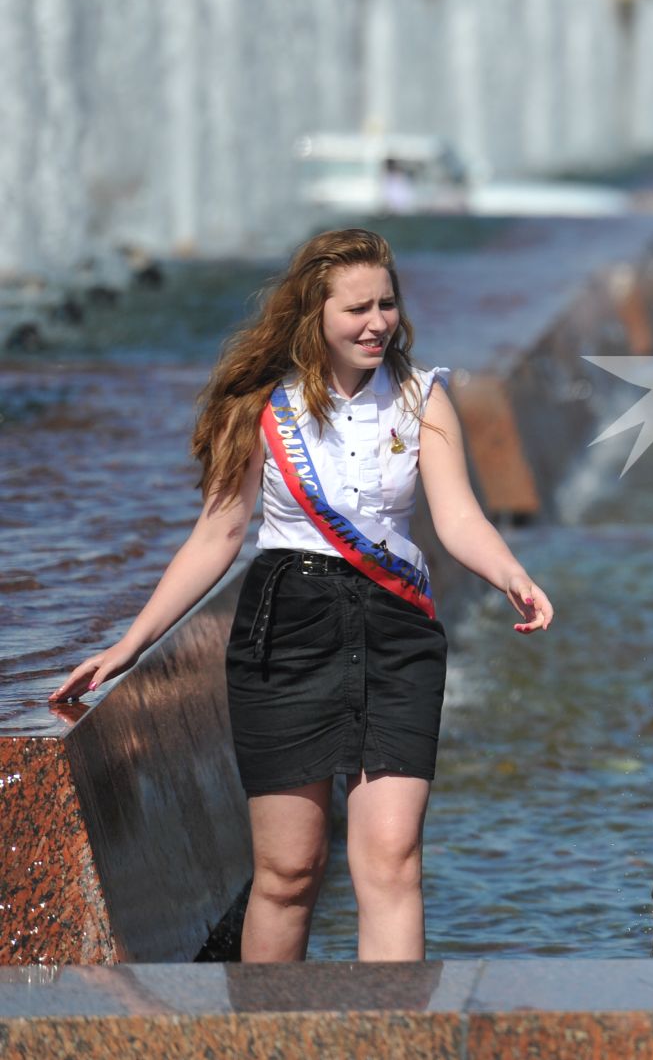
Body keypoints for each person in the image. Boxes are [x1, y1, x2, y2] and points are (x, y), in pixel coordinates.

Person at [51, 228, 556, 962]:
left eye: (387, 303)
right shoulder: (265, 406)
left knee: (392, 859)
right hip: (285, 627)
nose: (377, 321)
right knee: (290, 870)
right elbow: (217, 536)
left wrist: (512, 573)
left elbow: (458, 517)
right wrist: (129, 645)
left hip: (396, 633)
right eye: (357, 307)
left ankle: (392, 1040)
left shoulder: (423, 396)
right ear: (313, 313)